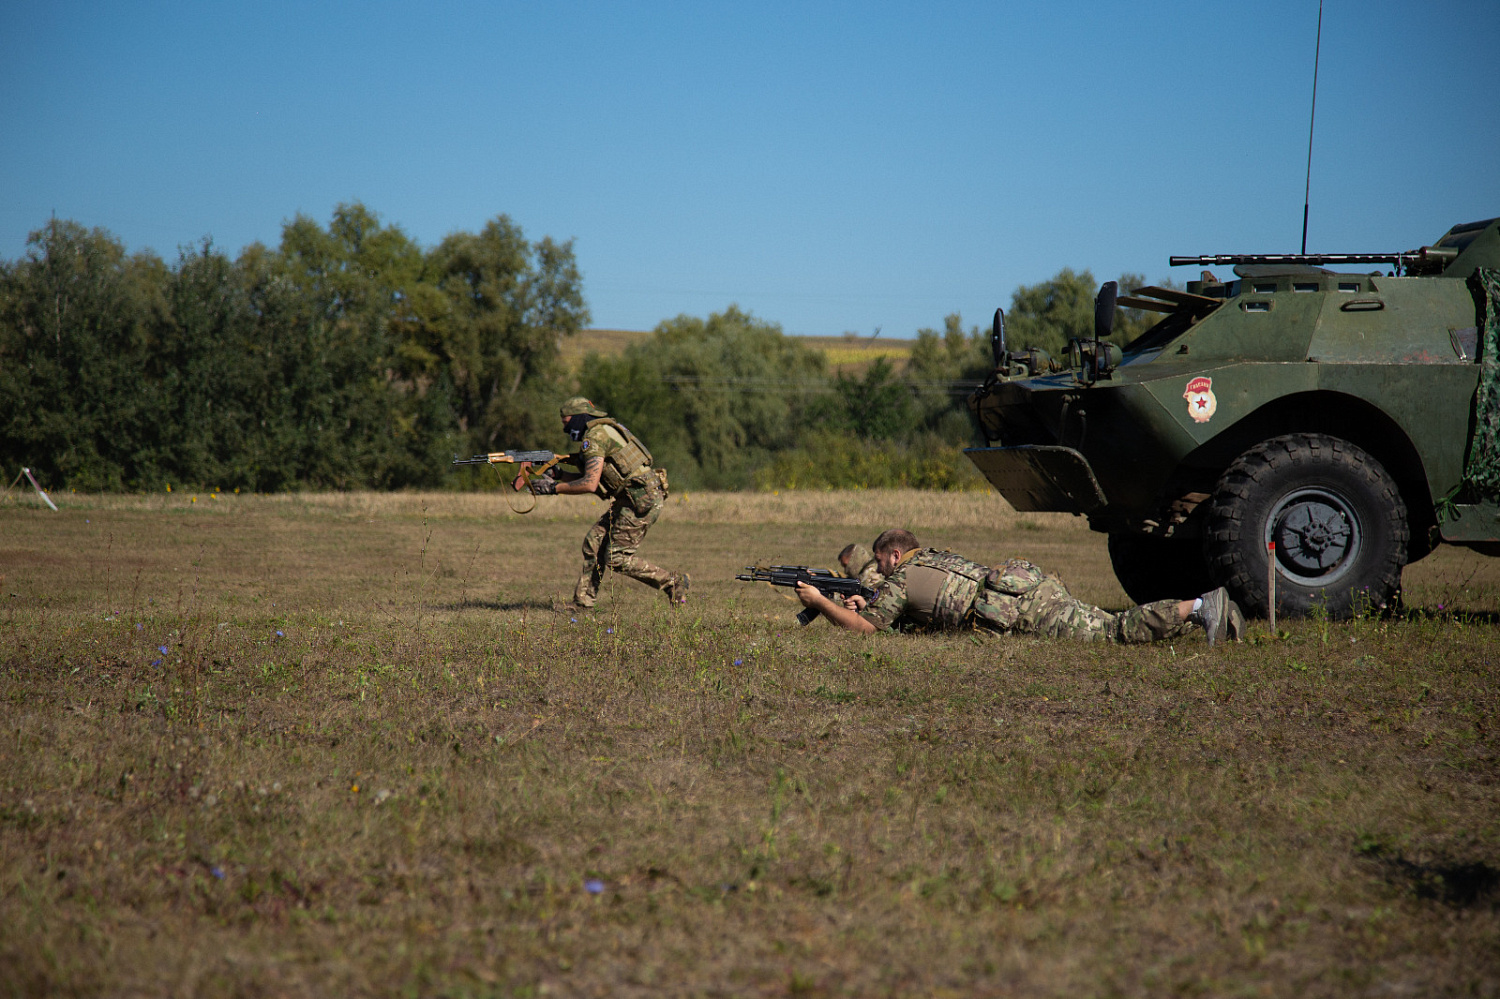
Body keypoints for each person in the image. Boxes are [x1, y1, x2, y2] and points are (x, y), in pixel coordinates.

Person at [796, 529, 1244, 646]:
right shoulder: (932, 559)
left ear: (894, 556)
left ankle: (1202, 606)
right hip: (1027, 586)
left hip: (1018, 604)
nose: (879, 569)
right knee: (1106, 622)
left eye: (880, 561)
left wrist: (818, 600)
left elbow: (865, 629)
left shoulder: (904, 575)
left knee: (1112, 632)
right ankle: (1207, 617)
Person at [517, 397, 688, 610]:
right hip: (633, 495)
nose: (565, 428)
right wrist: (559, 475)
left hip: (641, 498)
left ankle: (673, 582)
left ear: (579, 417)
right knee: (594, 542)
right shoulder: (603, 430)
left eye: (566, 421)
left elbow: (589, 484)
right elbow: (594, 477)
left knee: (617, 557)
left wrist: (553, 488)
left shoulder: (594, 438)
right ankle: (583, 602)